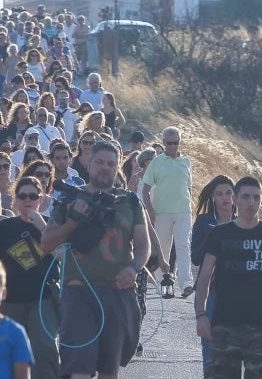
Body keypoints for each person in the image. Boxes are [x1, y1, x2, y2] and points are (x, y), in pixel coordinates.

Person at [42, 142, 151, 379]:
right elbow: (46, 243)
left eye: (111, 163)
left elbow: (143, 244)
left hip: (117, 293)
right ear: (88, 164)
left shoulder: (130, 201)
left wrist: (134, 268)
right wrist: (72, 222)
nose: (105, 168)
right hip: (78, 293)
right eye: (99, 162)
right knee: (78, 370)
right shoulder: (69, 198)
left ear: (117, 167)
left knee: (109, 371)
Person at [193, 176, 262, 379]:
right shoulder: (220, 234)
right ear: (235, 199)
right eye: (245, 197)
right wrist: (201, 315)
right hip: (224, 324)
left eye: (256, 197)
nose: (251, 203)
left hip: (260, 325)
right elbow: (205, 277)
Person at [0, 176, 60, 379]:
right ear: (14, 200)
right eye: (22, 195)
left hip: (43, 298)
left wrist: (42, 227)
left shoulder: (51, 225)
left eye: (33, 196)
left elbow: (64, 255)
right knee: (13, 353)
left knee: (44, 348)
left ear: (40, 199)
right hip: (11, 300)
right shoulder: (4, 227)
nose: (28, 200)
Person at [188, 175, 236, 373]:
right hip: (210, 290)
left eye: (228, 193)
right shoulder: (203, 221)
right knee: (209, 345)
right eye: (219, 194)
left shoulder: (245, 222)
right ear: (213, 197)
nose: (225, 198)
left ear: (235, 196)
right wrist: (213, 236)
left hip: (238, 291)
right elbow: (196, 258)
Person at [142, 126, 195, 296]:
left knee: (183, 245)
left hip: (183, 211)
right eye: (169, 143)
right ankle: (161, 282)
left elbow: (189, 187)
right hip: (162, 212)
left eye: (176, 143)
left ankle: (186, 282)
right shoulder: (156, 162)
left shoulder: (186, 162)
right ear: (163, 142)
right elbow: (145, 189)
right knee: (163, 248)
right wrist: (150, 211)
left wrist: (190, 207)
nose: (172, 146)